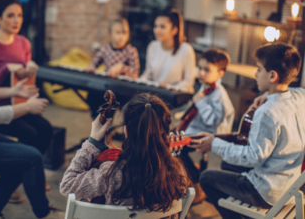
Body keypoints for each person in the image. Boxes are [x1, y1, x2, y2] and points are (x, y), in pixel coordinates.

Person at [191, 43, 305, 219]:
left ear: (272, 76)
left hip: (266, 192)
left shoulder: (267, 112)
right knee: (227, 165)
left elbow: (252, 157)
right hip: (289, 186)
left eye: (259, 69)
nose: (255, 74)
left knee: (206, 178)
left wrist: (215, 145)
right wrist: (268, 95)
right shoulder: (299, 100)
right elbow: (296, 92)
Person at [0, 5, 63, 219]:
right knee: (31, 157)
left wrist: (14, 90)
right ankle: (44, 213)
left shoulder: (23, 43)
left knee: (27, 152)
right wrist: (27, 107)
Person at [60, 93, 191, 219]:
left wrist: (92, 141)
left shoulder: (111, 174)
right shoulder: (178, 172)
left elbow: (67, 185)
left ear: (126, 130)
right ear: (166, 132)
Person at [0, 0, 53, 158]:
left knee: (46, 130)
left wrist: (30, 65)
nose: (17, 20)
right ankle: (24, 168)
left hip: (21, 101)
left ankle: (30, 169)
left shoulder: (24, 43)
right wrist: (5, 70)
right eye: (10, 15)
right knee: (29, 134)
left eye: (20, 15)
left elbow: (25, 71)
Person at [179, 48, 235, 205]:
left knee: (178, 149)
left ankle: (198, 185)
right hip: (198, 130)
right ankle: (193, 171)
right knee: (171, 141)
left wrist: (199, 101)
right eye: (200, 68)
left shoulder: (220, 96)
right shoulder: (206, 86)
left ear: (220, 73)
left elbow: (212, 120)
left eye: (207, 70)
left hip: (212, 135)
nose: (201, 73)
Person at [85, 18, 140, 118]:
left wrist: (122, 67)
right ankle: (99, 120)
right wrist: (92, 66)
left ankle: (119, 126)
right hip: (107, 87)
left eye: (125, 32)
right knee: (92, 96)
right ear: (110, 34)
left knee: (127, 107)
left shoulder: (131, 51)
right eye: (118, 32)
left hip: (123, 89)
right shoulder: (105, 49)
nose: (122, 36)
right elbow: (94, 63)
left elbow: (136, 73)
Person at [140, 9, 196, 94]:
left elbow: (188, 81)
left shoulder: (186, 50)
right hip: (156, 94)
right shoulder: (153, 46)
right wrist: (139, 82)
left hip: (177, 97)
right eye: (155, 26)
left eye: (162, 27)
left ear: (174, 30)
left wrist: (170, 88)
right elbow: (148, 73)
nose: (157, 30)